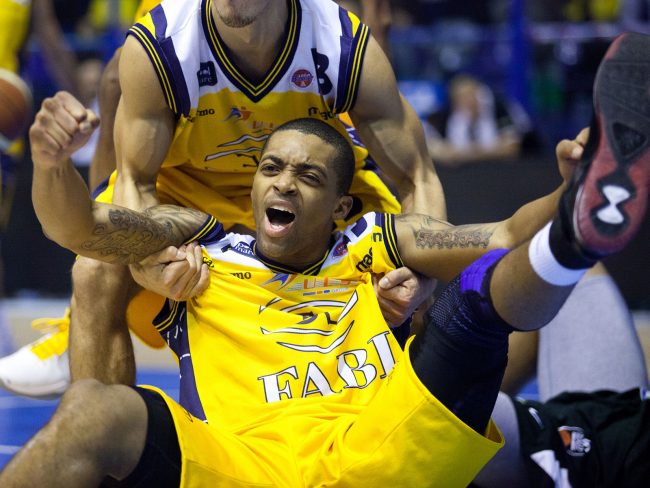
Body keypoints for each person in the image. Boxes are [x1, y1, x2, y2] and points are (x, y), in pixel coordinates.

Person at [3, 26, 649, 481]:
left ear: (342, 205)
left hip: (380, 453)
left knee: (473, 301)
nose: (283, 182)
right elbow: (81, 228)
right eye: (271, 168)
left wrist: (567, 196)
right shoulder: (202, 245)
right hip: (242, 466)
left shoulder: (370, 244)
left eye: (308, 177)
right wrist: (51, 163)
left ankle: (577, 230)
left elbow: (504, 235)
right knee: (92, 411)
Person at [0, 0, 443, 398]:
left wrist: (422, 276)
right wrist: (146, 261)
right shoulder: (162, 43)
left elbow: (417, 176)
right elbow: (136, 181)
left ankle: (429, 444)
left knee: (415, 277)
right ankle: (95, 425)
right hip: (189, 201)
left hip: (307, 198)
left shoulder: (343, 43)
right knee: (96, 270)